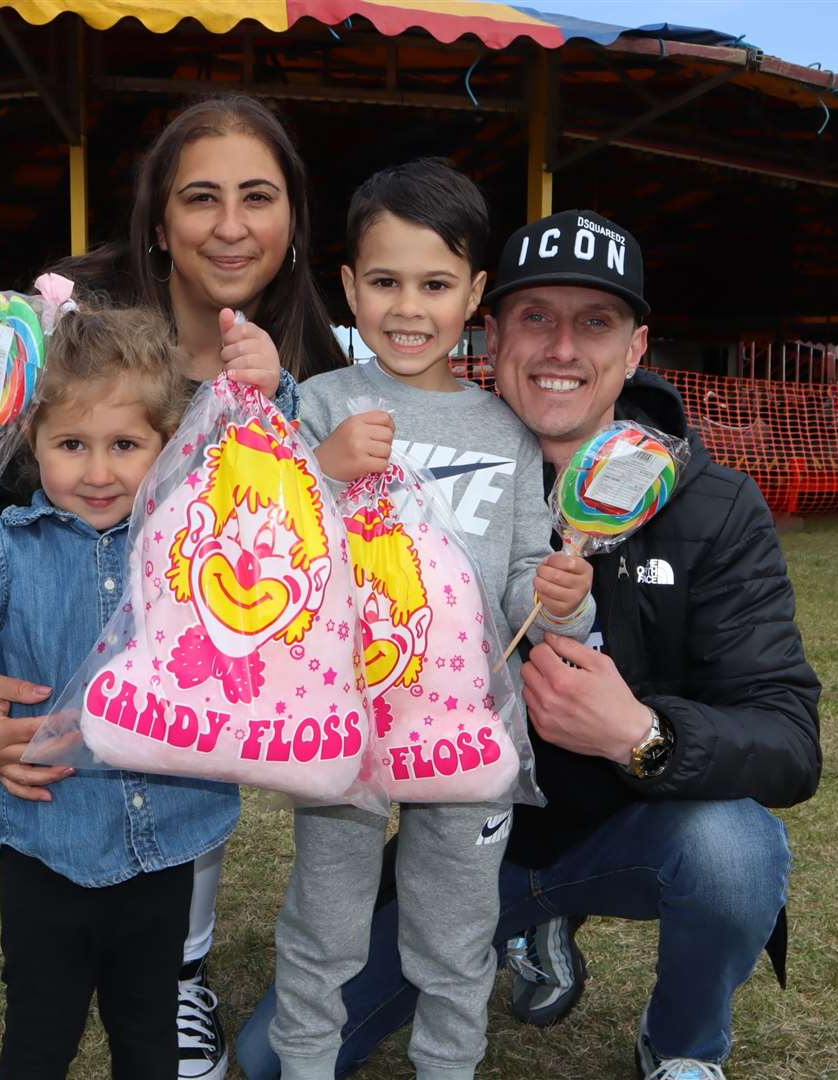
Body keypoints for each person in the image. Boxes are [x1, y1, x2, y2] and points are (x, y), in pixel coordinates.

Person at [237, 208, 822, 1080]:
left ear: (635, 349)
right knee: (269, 1060)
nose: (560, 348)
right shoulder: (435, 459)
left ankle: (684, 1046)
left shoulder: (713, 505)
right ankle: (527, 926)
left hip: (627, 832)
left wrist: (643, 736)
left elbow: (789, 739)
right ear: (493, 329)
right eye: (535, 318)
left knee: (735, 855)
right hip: (466, 827)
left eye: (595, 323)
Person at [0, 94, 347, 1080]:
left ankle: (182, 975)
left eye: (259, 197)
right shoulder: (79, 354)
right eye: (201, 198)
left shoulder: (314, 372)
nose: (232, 225)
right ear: (160, 223)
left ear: (293, 222)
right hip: (68, 764)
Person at [273, 160, 593, 1080]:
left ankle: (448, 1065)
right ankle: (302, 1063)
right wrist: (322, 469)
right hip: (338, 722)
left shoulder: (507, 431)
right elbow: (271, 549)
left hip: (465, 726)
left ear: (475, 295)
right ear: (347, 287)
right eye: (384, 282)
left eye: (436, 284)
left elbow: (529, 575)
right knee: (323, 920)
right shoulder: (321, 405)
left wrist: (566, 599)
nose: (408, 307)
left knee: (457, 927)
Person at [0, 304, 238, 1078]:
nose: (98, 472)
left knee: (149, 1034)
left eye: (126, 445)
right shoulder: (0, 551)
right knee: (40, 1036)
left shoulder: (190, 539)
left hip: (164, 843)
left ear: (169, 445)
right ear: (31, 443)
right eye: (72, 444)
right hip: (47, 846)